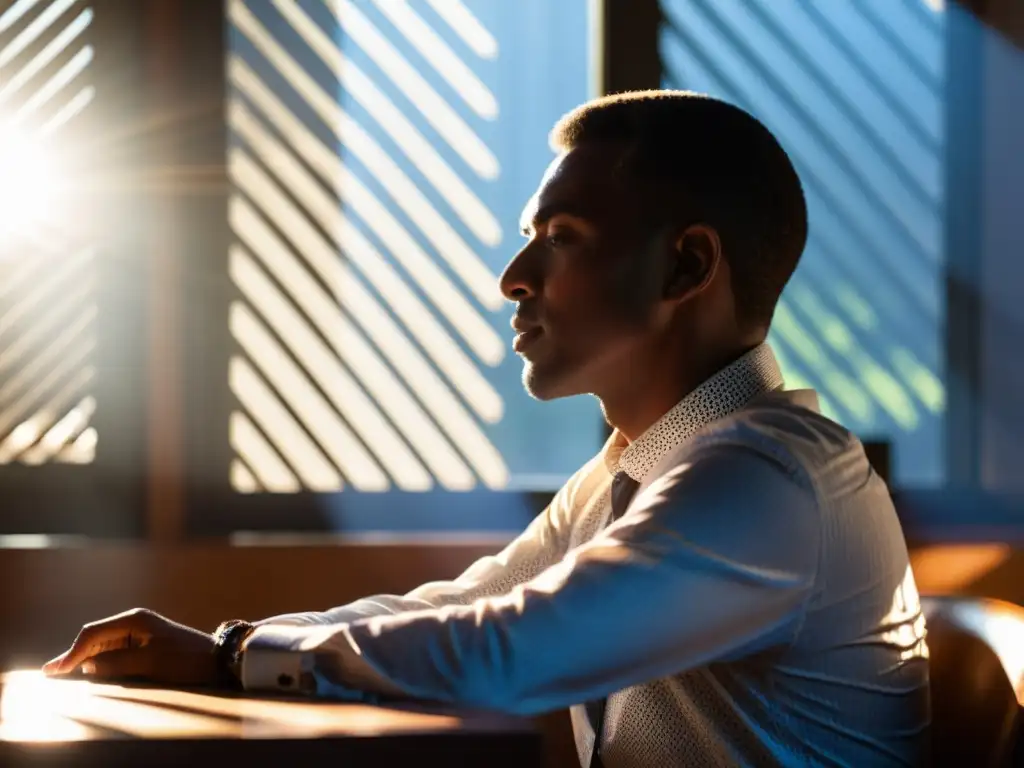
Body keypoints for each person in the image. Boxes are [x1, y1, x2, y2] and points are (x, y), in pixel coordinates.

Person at [43, 91, 930, 767]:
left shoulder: (765, 477)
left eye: (562, 236)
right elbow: (469, 605)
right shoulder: (637, 470)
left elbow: (506, 652)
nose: (513, 277)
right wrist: (230, 647)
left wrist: (237, 657)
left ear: (686, 265)